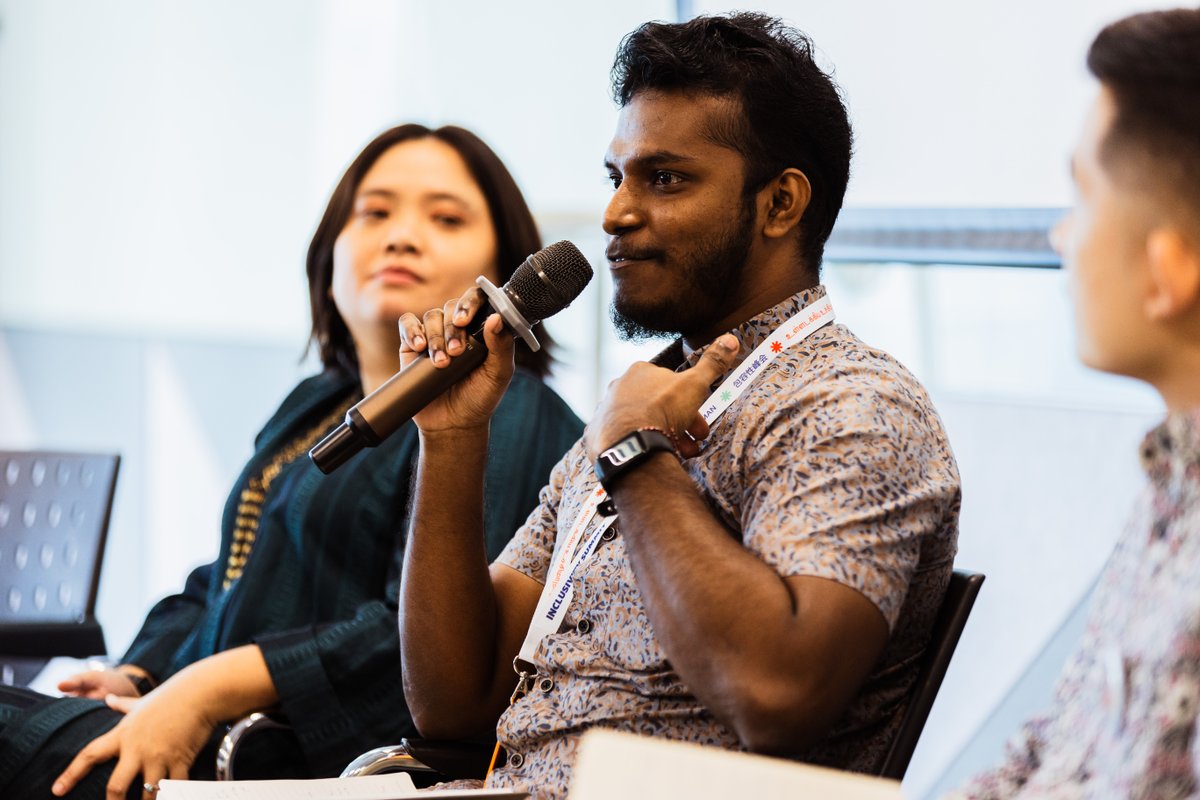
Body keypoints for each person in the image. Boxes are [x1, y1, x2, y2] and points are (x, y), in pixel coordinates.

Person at [396, 13, 961, 800]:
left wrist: (634, 456)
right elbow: (454, 704)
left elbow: (777, 695)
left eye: (665, 179)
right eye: (616, 176)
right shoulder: (649, 392)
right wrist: (452, 441)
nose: (616, 214)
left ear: (780, 204)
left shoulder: (852, 406)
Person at [0, 124, 583, 799]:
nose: (401, 235)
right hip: (204, 726)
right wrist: (144, 676)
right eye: (375, 212)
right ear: (328, 254)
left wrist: (206, 689)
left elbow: (427, 642)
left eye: (445, 218)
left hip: (304, 758)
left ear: (505, 266)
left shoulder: (513, 416)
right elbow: (224, 576)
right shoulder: (314, 401)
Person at [948, 8, 1200, 798]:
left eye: (1082, 196)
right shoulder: (1170, 485)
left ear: (1171, 269)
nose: (1062, 236)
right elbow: (1054, 744)